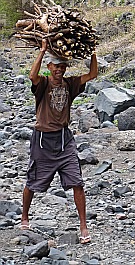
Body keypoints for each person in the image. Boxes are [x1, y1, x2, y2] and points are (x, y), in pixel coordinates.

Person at [21, 39, 98, 244]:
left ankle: (83, 227)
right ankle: (24, 216)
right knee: (32, 182)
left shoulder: (70, 84)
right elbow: (32, 76)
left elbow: (92, 74)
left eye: (63, 66)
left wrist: (92, 52)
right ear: (49, 67)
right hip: (43, 141)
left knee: (77, 182)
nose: (60, 70)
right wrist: (43, 51)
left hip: (64, 141)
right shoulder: (44, 83)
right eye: (56, 66)